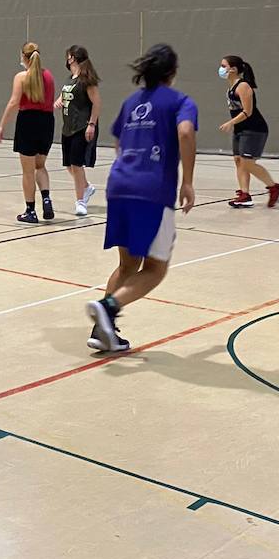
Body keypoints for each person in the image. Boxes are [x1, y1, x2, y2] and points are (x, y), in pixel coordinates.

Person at [84, 44, 198, 353]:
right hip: (152, 190)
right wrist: (187, 181)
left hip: (119, 185)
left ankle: (102, 331)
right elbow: (186, 133)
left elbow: (119, 142)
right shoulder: (180, 102)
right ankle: (108, 307)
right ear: (172, 73)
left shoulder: (131, 102)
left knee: (127, 264)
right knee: (156, 268)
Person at [0, 42, 56, 223]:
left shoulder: (21, 77)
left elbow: (14, 102)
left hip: (28, 122)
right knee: (40, 166)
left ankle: (31, 211)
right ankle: (46, 199)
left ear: (24, 57)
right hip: (47, 122)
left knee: (28, 171)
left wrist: (1, 126)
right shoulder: (49, 76)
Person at [217, 54, 279, 208]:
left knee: (248, 163)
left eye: (223, 66)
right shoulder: (231, 88)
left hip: (254, 129)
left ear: (233, 69)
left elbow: (248, 111)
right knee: (239, 161)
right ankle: (244, 194)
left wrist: (230, 122)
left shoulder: (243, 86)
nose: (221, 69)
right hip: (240, 129)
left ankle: (274, 187)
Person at [56, 45, 101, 217]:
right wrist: (58, 101)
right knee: (68, 165)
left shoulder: (86, 79)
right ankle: (87, 187)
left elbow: (97, 103)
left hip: (81, 127)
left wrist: (91, 124)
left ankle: (80, 201)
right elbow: (64, 96)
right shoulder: (70, 79)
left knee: (76, 164)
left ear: (72, 57)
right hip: (67, 127)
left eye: (68, 56)